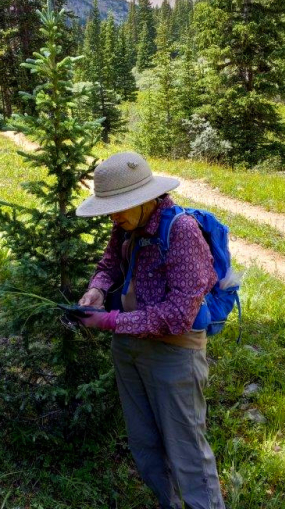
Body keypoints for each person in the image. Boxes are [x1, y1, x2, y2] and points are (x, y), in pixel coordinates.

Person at [76, 151, 226, 509]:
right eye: (110, 207)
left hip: (173, 354)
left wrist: (109, 321)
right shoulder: (126, 225)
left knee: (187, 451)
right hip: (128, 348)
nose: (114, 215)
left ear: (145, 199)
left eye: (121, 206)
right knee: (145, 444)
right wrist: (97, 289)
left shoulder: (183, 232)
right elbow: (110, 263)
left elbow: (177, 315)